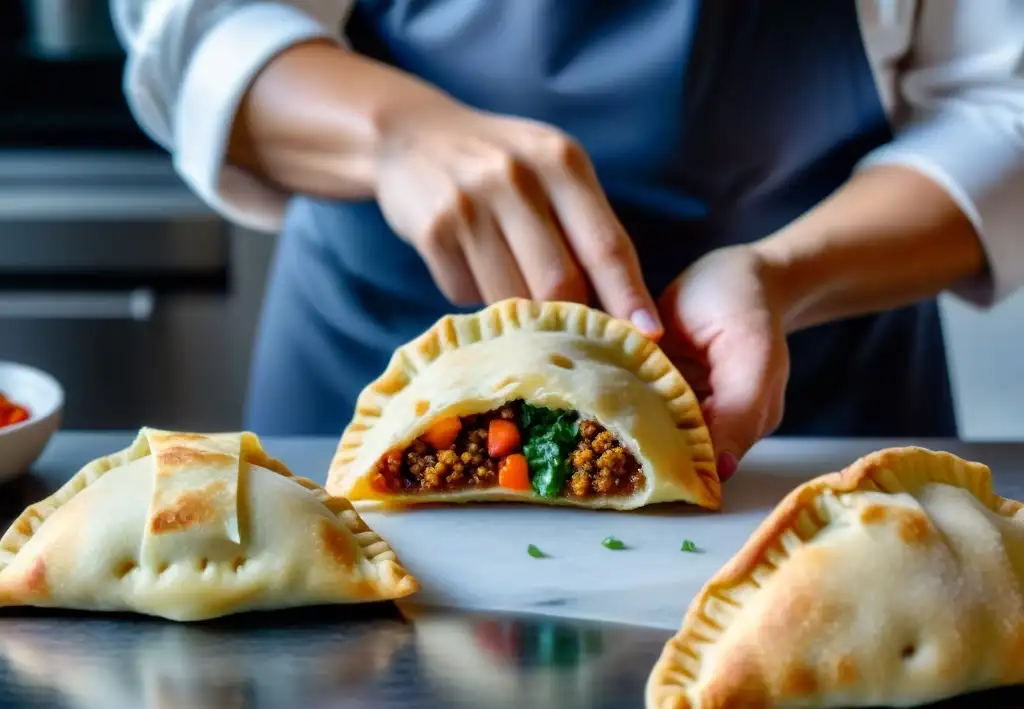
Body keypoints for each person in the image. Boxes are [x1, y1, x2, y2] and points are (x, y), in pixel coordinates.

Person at [112, 0, 1024, 481]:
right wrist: (395, 132)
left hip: (804, 403)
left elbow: (1005, 107)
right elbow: (194, 27)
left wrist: (783, 276)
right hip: (370, 365)